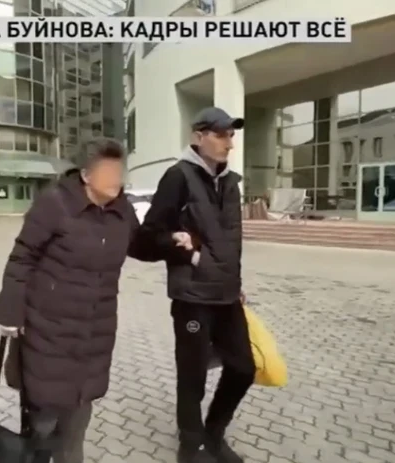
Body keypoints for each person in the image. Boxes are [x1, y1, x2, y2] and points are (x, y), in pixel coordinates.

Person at [0, 138, 164, 463]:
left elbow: (141, 245)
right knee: (43, 425)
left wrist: (173, 243)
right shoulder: (55, 203)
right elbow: (22, 257)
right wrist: (10, 312)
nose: (116, 179)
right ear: (86, 175)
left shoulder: (122, 210)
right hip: (48, 331)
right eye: (108, 172)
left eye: (119, 172)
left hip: (93, 334)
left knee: (76, 424)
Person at [139, 107, 255, 463]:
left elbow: (229, 242)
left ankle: (214, 434)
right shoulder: (178, 177)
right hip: (192, 296)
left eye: (231, 135)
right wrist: (184, 251)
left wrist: (234, 281)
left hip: (226, 294)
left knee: (243, 368)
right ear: (198, 137)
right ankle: (190, 446)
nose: (228, 143)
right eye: (220, 135)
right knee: (192, 375)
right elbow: (145, 239)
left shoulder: (230, 183)